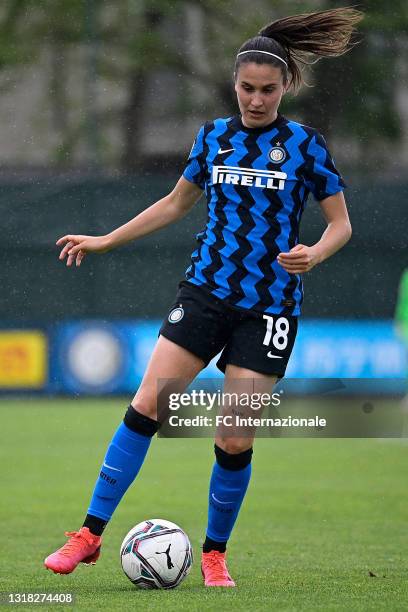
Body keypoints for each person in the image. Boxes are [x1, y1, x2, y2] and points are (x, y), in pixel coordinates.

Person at [44, 7, 361, 587]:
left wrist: (314, 253)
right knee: (149, 404)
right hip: (206, 292)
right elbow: (174, 203)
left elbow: (340, 224)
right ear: (234, 84)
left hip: (269, 307)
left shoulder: (305, 146)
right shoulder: (213, 137)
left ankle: (214, 554)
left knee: (233, 433)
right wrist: (107, 240)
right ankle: (87, 535)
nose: (256, 100)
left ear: (286, 86)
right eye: (247, 88)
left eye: (268, 90)